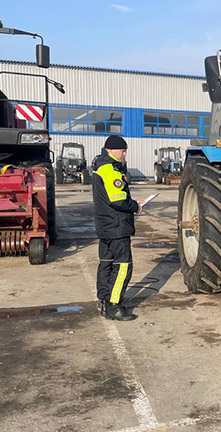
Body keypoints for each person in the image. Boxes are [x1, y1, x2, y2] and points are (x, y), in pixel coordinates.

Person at [92, 135, 145, 321]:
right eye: (122, 151)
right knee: (123, 266)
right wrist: (135, 206)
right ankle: (114, 305)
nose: (124, 154)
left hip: (105, 226)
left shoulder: (100, 167)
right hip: (116, 226)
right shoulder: (110, 169)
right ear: (111, 150)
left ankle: (105, 301)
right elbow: (118, 200)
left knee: (106, 264)